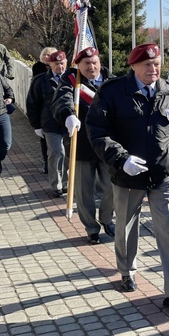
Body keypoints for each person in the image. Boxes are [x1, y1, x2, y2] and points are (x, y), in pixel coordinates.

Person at [86, 43, 169, 315]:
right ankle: (126, 271)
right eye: (147, 64)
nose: (153, 69)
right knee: (125, 227)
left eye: (156, 64)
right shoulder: (113, 92)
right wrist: (121, 159)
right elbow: (97, 130)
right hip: (127, 175)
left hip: (162, 175)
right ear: (132, 65)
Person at [52, 47, 116, 244]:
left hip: (108, 144)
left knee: (112, 187)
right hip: (82, 144)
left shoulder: (112, 81)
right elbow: (62, 99)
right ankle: (91, 227)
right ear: (78, 65)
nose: (91, 66)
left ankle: (107, 218)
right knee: (84, 191)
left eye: (94, 62)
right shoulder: (71, 80)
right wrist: (68, 114)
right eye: (86, 63)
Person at [27, 49, 69, 197]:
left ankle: (66, 183)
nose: (60, 67)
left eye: (62, 63)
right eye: (56, 64)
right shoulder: (40, 81)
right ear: (50, 65)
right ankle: (56, 184)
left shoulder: (73, 79)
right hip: (50, 124)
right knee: (57, 152)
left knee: (68, 155)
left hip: (69, 123)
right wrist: (36, 125)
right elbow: (32, 103)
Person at [31, 50, 50, 174]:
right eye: (45, 55)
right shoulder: (38, 69)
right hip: (44, 113)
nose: (47, 57)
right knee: (45, 140)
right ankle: (47, 162)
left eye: (49, 55)